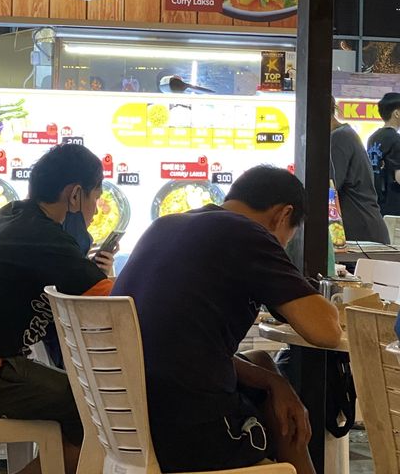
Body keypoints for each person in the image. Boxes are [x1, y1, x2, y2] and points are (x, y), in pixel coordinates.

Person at [112, 166, 342, 474]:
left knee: (261, 362)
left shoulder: (165, 225)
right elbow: (325, 330)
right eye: (288, 238)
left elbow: (173, 345)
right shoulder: (246, 233)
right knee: (280, 418)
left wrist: (275, 382)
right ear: (282, 215)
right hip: (187, 429)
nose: (283, 246)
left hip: (128, 416)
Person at [0, 144, 114, 474]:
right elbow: (114, 304)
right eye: (95, 198)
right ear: (74, 196)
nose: (97, 211)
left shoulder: (15, 214)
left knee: (86, 402)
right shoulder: (43, 236)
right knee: (99, 407)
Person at [330, 97, 389, 243]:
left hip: (361, 232)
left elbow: (330, 188)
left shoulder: (339, 137)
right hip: (364, 228)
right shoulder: (345, 134)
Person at [367, 92, 400, 216]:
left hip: (376, 204)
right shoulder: (396, 140)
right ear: (396, 113)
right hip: (395, 206)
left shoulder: (373, 137)